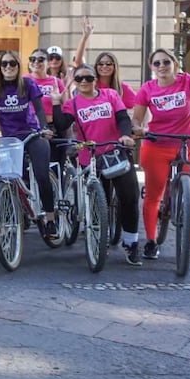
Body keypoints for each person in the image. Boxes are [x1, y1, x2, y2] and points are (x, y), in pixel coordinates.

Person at [131, 49, 190, 265]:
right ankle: (151, 241)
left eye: (166, 62)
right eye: (156, 63)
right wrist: (139, 129)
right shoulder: (148, 89)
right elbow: (136, 119)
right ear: (152, 68)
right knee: (154, 195)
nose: (162, 66)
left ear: (175, 63)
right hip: (156, 145)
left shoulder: (189, 82)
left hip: (187, 144)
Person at [52, 64, 141, 265]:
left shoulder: (110, 95)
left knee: (130, 197)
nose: (84, 82)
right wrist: (56, 103)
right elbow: (62, 125)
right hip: (90, 157)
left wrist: (126, 135)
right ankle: (100, 241)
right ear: (75, 82)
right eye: (79, 78)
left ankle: (131, 243)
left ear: (95, 79)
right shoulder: (73, 104)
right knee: (100, 202)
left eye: (89, 78)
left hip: (116, 153)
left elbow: (122, 118)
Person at [0, 50, 57, 235]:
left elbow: (39, 109)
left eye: (12, 63)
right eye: (4, 64)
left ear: (18, 66)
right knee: (6, 179)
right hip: (10, 140)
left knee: (42, 175)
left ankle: (50, 218)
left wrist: (44, 127)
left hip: (31, 135)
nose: (8, 67)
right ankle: (6, 226)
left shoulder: (28, 84)